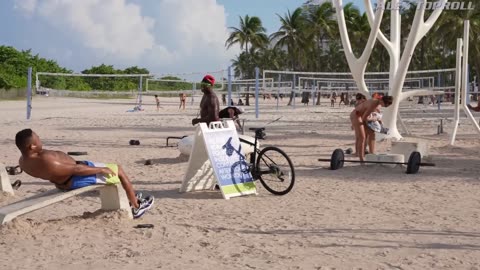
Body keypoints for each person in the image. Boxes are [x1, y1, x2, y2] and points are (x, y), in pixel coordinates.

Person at [15, 129, 154, 219]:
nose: (40, 139)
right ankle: (136, 207)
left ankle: (132, 199)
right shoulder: (45, 160)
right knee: (119, 170)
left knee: (109, 169)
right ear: (32, 146)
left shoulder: (23, 161)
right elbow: (76, 170)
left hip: (65, 178)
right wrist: (100, 170)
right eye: (37, 138)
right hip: (76, 177)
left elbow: (60, 170)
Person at [350, 95, 393, 162]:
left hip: (361, 116)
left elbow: (368, 116)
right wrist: (374, 119)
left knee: (371, 134)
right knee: (362, 137)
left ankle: (370, 153)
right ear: (382, 101)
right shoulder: (374, 103)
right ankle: (361, 159)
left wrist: (377, 122)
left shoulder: (377, 102)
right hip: (357, 115)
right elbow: (364, 118)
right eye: (385, 105)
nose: (385, 107)